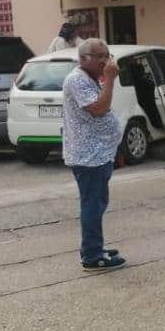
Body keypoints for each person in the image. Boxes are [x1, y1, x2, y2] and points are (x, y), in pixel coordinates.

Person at [62, 38, 126, 271]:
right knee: (93, 204)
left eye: (107, 55)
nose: (105, 60)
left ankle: (94, 246)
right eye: (99, 56)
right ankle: (92, 255)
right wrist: (109, 80)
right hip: (88, 156)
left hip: (99, 152)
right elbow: (99, 110)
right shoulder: (76, 80)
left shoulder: (89, 79)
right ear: (83, 59)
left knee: (98, 203)